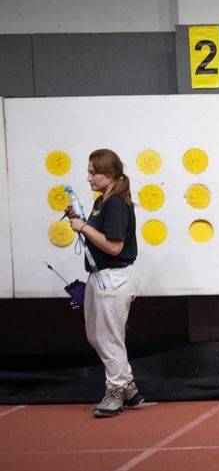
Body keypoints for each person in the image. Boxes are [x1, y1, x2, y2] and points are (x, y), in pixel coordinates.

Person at [66, 149, 142, 418]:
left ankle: (116, 391)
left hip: (114, 276)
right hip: (102, 276)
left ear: (109, 174)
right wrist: (81, 221)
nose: (88, 178)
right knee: (98, 335)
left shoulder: (116, 203)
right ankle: (128, 387)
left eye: (93, 172)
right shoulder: (103, 201)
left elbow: (114, 246)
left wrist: (83, 227)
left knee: (108, 337)